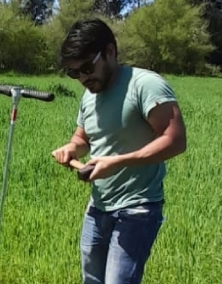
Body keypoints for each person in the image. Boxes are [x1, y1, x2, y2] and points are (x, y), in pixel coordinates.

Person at [51, 18, 187, 284]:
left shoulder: (144, 84)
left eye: (87, 68)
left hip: (138, 209)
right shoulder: (90, 94)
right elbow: (83, 138)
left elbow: (175, 139)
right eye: (73, 73)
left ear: (110, 52)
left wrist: (119, 162)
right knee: (92, 280)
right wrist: (71, 149)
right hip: (98, 206)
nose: (82, 78)